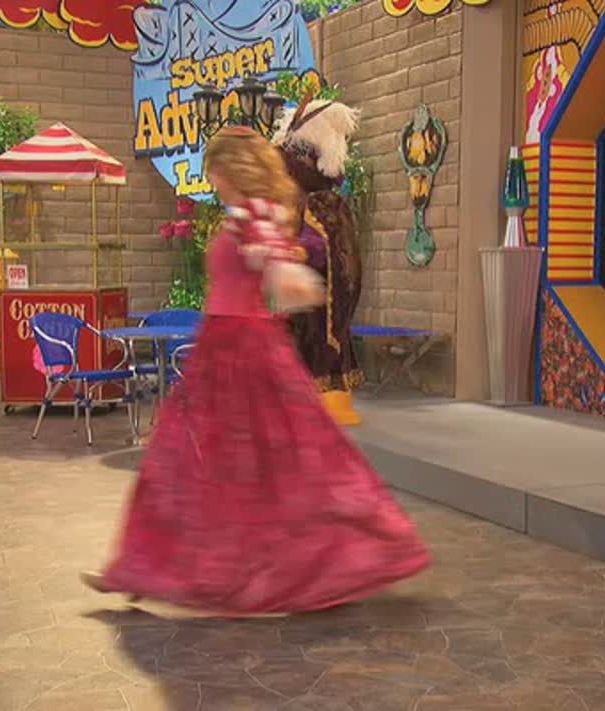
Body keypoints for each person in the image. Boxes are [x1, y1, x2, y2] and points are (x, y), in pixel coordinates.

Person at [81, 127, 429, 617]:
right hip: (222, 347)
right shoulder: (245, 214)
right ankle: (145, 567)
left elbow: (282, 274)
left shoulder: (254, 214)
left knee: (265, 463)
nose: (212, 182)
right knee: (184, 460)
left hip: (243, 349)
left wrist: (292, 279)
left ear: (231, 170)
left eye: (214, 173)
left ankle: (304, 564)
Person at [274, 96, 365, 426]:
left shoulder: (323, 205)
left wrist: (299, 253)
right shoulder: (301, 204)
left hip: (318, 310)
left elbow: (331, 249)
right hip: (299, 306)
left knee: (315, 352)